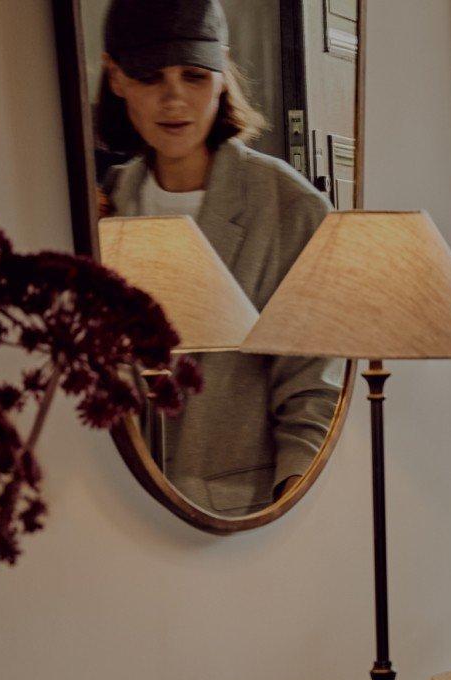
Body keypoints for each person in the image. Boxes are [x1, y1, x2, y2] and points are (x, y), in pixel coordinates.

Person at [95, 0, 344, 517]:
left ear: (222, 72)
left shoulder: (291, 209)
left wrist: (287, 517)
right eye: (149, 76)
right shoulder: (100, 206)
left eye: (194, 74)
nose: (174, 98)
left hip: (242, 518)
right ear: (116, 77)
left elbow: (312, 391)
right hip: (112, 514)